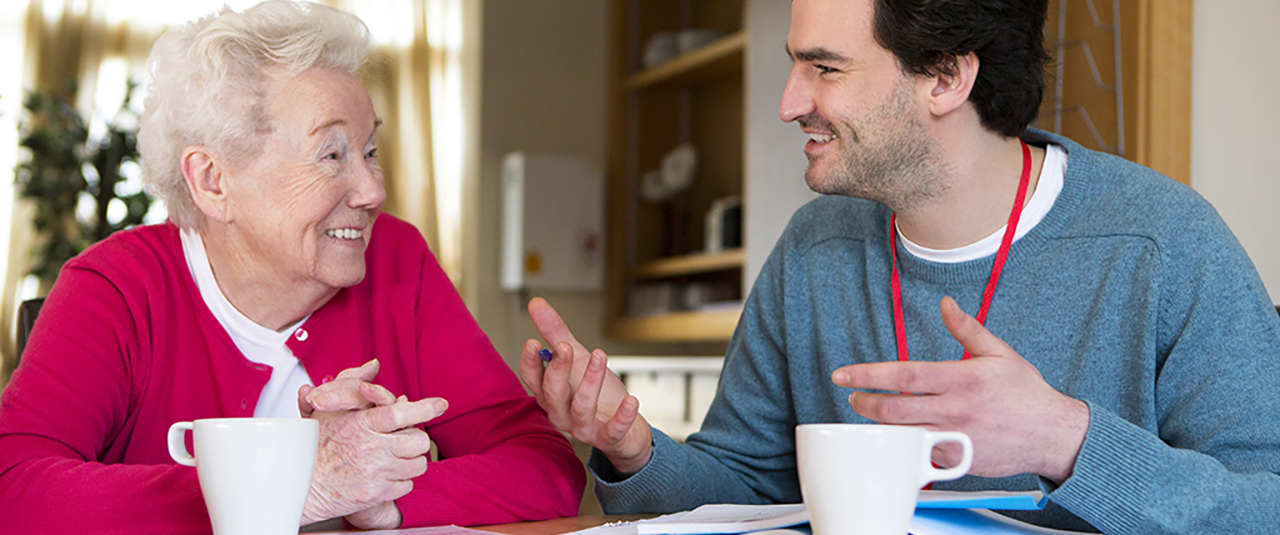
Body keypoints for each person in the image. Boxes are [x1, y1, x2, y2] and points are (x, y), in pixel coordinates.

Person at [519, 0, 1280, 533]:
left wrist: (1065, 438)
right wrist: (632, 448)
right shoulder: (814, 249)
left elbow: (1265, 506)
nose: (789, 103)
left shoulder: (1164, 244)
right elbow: (746, 489)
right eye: (796, 65)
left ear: (946, 77)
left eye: (825, 68)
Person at [0, 1, 584, 532]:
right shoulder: (117, 288)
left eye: (370, 152)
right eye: (331, 154)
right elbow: (12, 488)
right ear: (213, 180)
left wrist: (383, 503)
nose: (373, 191)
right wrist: (284, 486)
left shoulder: (397, 261)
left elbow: (544, 468)